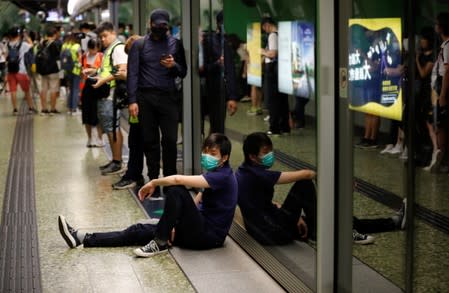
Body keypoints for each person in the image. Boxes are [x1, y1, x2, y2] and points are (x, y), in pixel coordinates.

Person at [58, 133, 238, 258]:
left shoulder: (222, 176)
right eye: (205, 152)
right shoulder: (219, 174)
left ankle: (159, 243)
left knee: (177, 191)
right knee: (137, 231)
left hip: (207, 237)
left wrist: (154, 182)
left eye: (213, 153)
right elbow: (198, 201)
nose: (207, 156)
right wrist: (174, 224)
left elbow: (177, 180)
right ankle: (82, 238)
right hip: (199, 229)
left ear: (224, 158)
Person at [236, 132, 407, 246]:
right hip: (271, 232)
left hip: (268, 226)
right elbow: (306, 174)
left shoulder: (243, 171)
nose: (270, 155)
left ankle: (393, 222)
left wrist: (292, 216)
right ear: (252, 156)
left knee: (336, 221)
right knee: (304, 184)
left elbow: (259, 203)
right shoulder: (256, 175)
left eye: (271, 151)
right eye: (265, 152)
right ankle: (321, 233)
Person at [127, 9, 187, 191]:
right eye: (157, 24)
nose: (160, 28)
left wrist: (173, 65)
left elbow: (183, 71)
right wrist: (132, 100)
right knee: (149, 140)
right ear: (150, 24)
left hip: (168, 98)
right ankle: (153, 179)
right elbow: (133, 74)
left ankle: (169, 180)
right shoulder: (139, 45)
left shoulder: (175, 44)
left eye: (164, 25)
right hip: (145, 98)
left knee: (170, 139)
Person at [85, 22, 128, 175]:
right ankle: (115, 160)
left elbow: (123, 71)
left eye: (105, 36)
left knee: (113, 128)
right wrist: (96, 70)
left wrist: (103, 80)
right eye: (101, 37)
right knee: (109, 128)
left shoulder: (118, 49)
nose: (102, 39)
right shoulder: (110, 49)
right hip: (105, 94)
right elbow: (110, 69)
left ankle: (117, 162)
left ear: (113, 33)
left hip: (111, 95)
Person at [112, 34, 146, 190]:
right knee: (134, 140)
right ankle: (133, 173)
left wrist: (127, 76)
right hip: (137, 109)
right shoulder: (139, 61)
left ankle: (135, 175)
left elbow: (141, 82)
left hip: (142, 108)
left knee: (138, 142)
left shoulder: (145, 63)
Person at [201, 11, 238, 134]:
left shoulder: (227, 42)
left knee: (218, 127)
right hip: (207, 91)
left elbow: (230, 70)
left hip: (220, 92)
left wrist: (232, 96)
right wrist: (216, 64)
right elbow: (202, 69)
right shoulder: (209, 41)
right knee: (213, 126)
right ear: (219, 24)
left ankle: (213, 150)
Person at [261, 17, 290, 136]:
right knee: (283, 99)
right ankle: (285, 127)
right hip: (281, 69)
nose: (265, 30)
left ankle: (274, 127)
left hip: (273, 71)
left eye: (264, 27)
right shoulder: (282, 34)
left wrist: (262, 51)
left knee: (273, 100)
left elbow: (273, 53)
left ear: (267, 25)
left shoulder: (273, 35)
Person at [428, 12, 449, 173]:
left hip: (442, 87)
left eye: (437, 24)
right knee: (436, 122)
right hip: (438, 86)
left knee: (440, 124)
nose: (435, 26)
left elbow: (447, 71)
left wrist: (442, 95)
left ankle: (441, 157)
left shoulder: (448, 46)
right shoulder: (444, 45)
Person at [6, 26, 36, 115]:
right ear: (18, 34)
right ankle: (30, 108)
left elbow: (5, 55)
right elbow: (32, 46)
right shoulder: (23, 44)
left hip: (10, 71)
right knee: (26, 91)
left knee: (13, 91)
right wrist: (27, 37)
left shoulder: (7, 44)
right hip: (21, 71)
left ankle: (15, 109)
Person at [80, 38, 104, 147]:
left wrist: (93, 71)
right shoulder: (84, 56)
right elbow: (81, 71)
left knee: (98, 113)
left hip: (99, 86)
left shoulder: (101, 57)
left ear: (98, 48)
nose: (92, 51)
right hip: (87, 87)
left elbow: (104, 71)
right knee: (86, 114)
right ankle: (90, 138)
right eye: (90, 49)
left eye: (94, 49)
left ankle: (100, 138)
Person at [38, 27, 61, 115]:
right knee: (53, 89)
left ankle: (44, 109)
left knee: (44, 89)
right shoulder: (55, 44)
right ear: (54, 34)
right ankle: (52, 109)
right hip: (53, 70)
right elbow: (58, 57)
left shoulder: (42, 43)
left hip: (43, 70)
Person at [61, 33, 82, 115]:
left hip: (67, 70)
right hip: (75, 70)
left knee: (70, 89)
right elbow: (79, 58)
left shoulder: (65, 45)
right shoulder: (77, 46)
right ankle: (74, 109)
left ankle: (69, 108)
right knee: (75, 89)